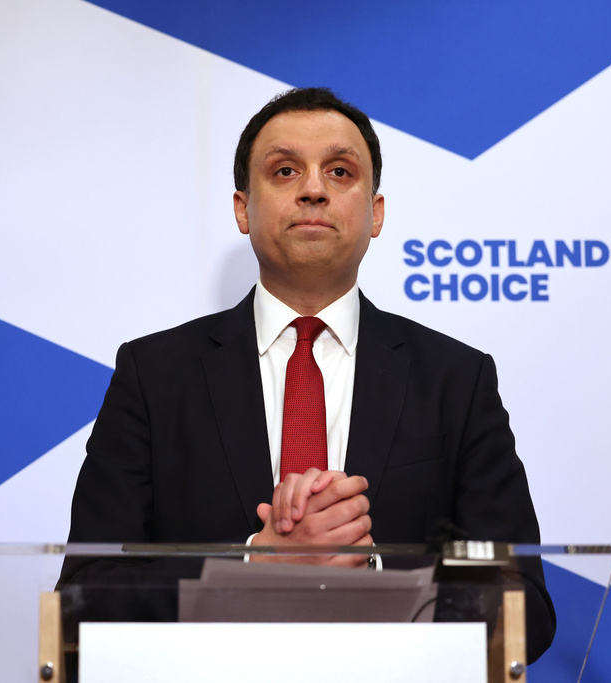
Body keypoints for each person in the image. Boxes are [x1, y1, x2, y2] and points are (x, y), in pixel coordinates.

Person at [63, 87, 554, 657]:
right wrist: (254, 566)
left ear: (375, 214)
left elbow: (525, 609)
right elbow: (84, 599)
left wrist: (363, 573)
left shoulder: (456, 380)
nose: (314, 189)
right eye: (285, 170)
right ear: (243, 208)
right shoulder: (154, 375)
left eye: (340, 171)